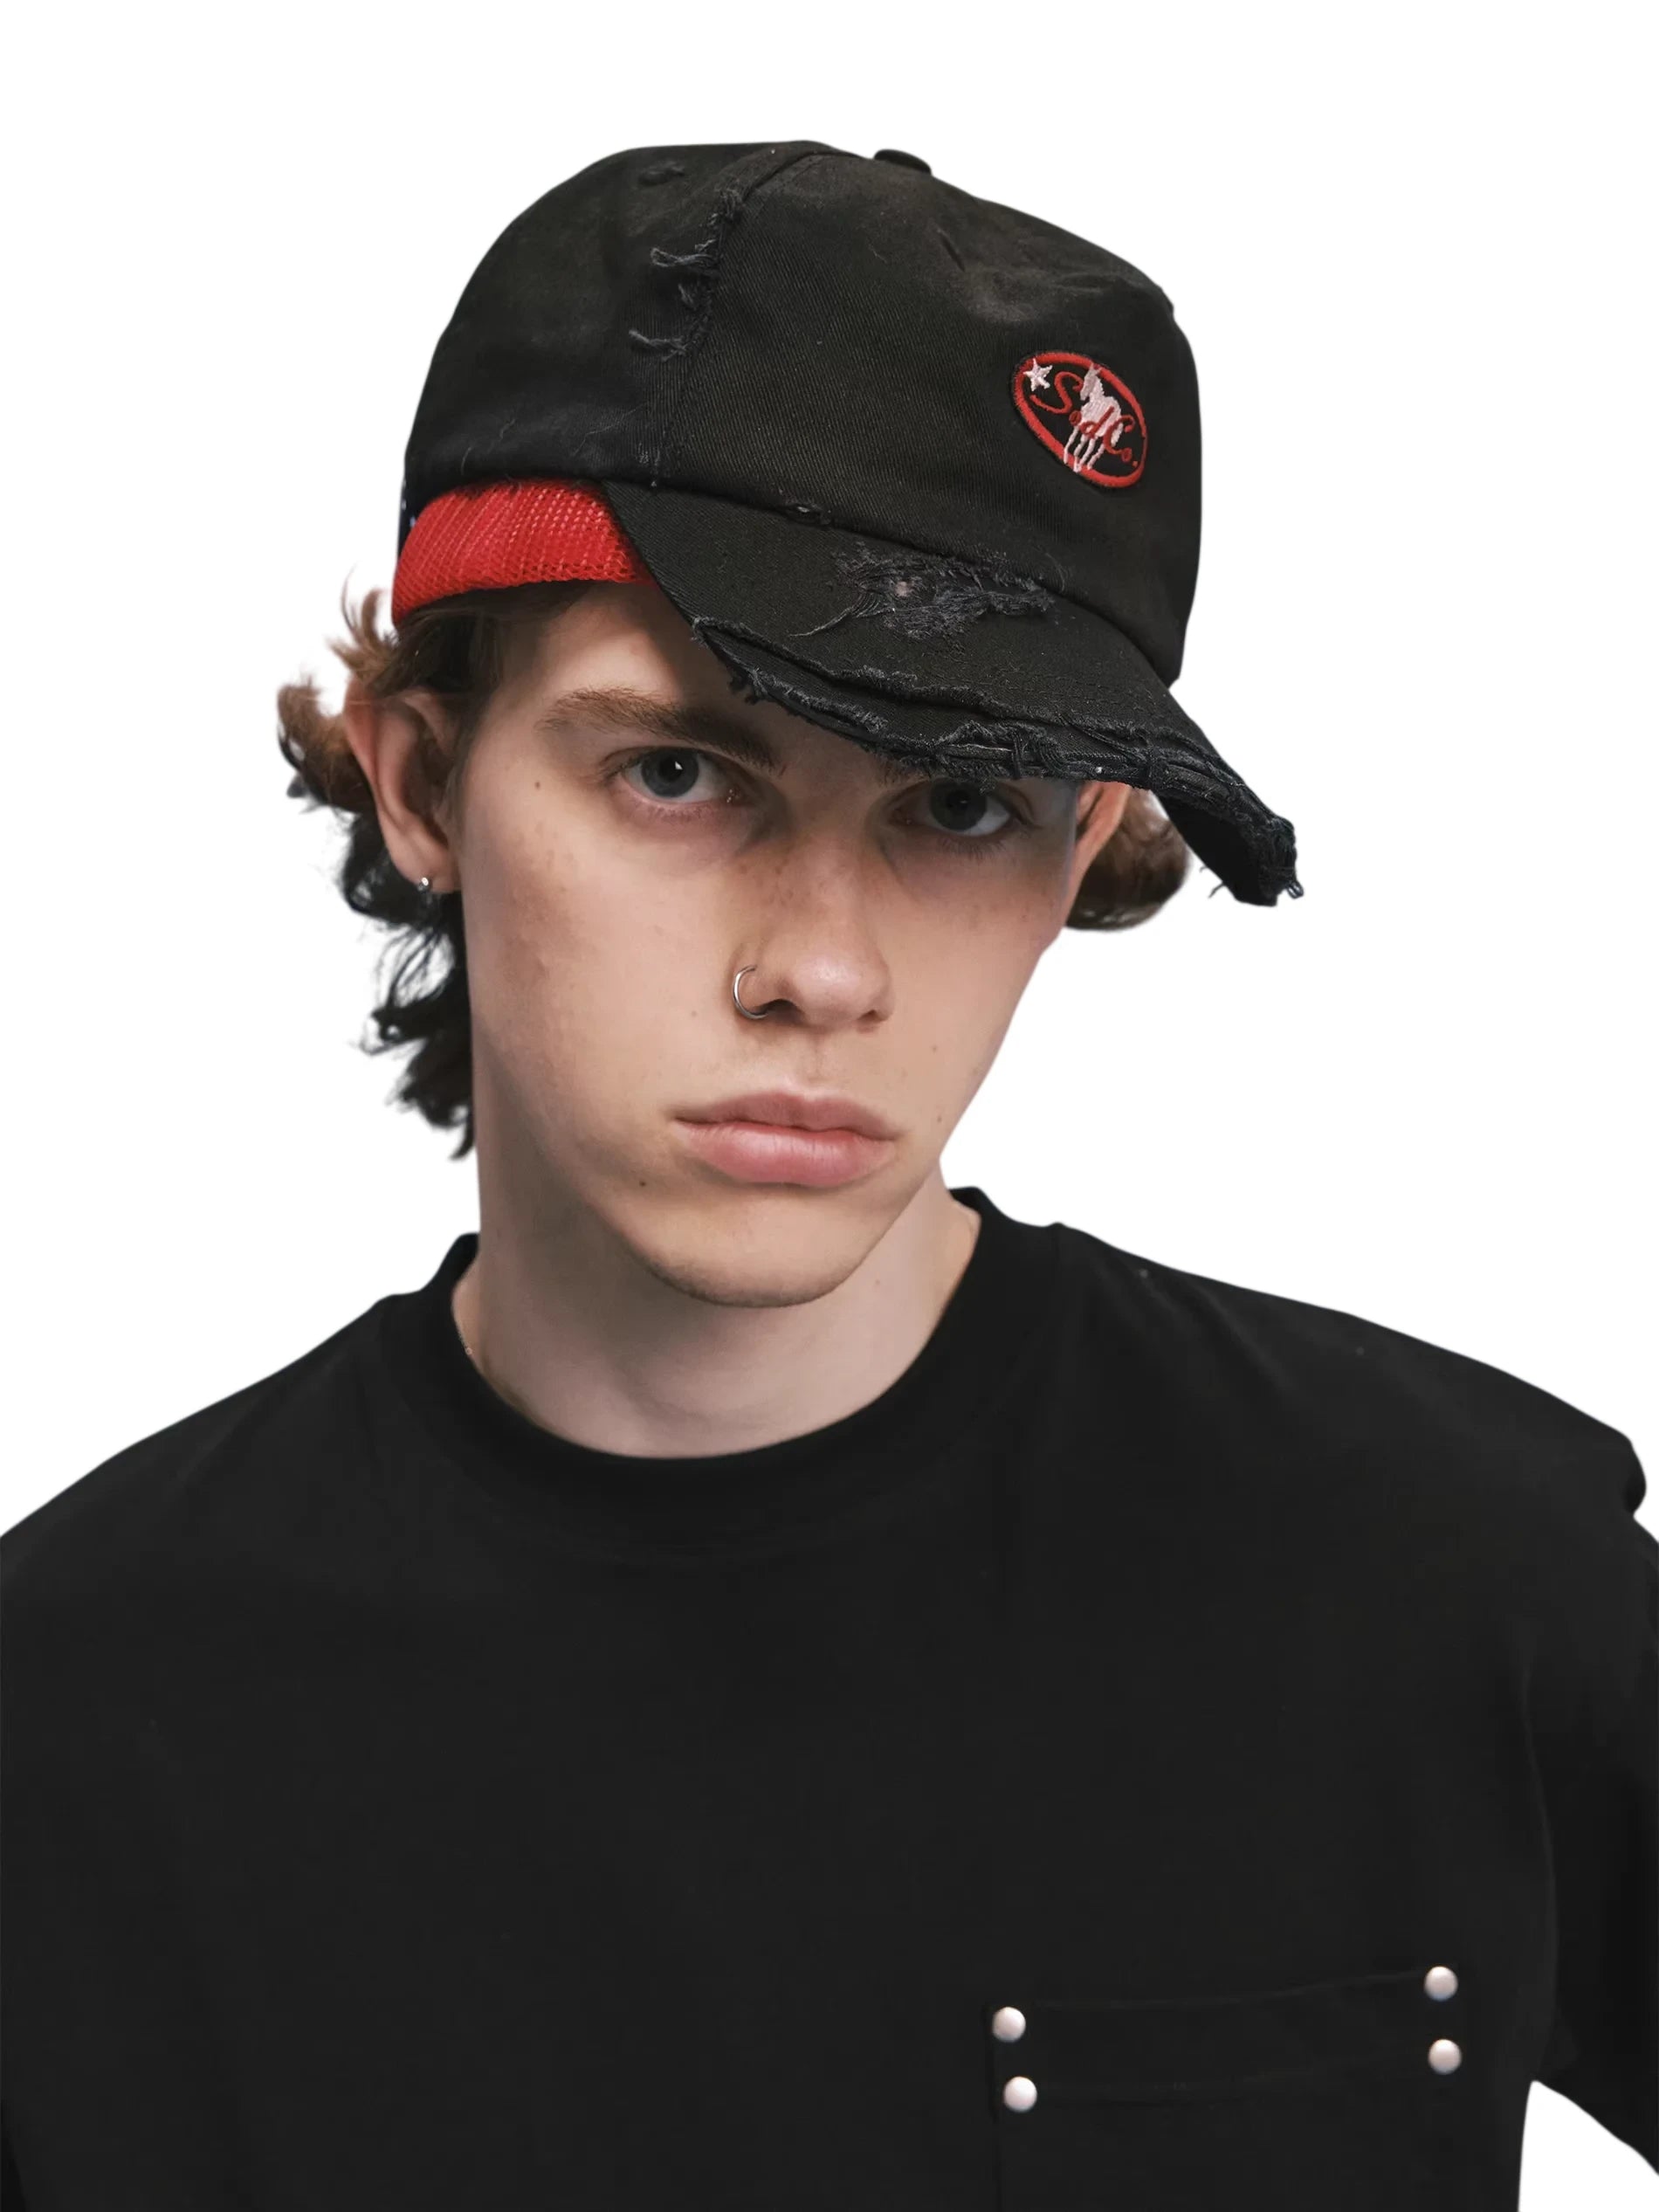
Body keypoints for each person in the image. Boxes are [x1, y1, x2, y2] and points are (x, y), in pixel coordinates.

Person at [2, 140, 1652, 2210]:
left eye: (956, 805)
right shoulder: (74, 1722)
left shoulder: (1445, 1576)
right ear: (421, 779)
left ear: (1082, 843)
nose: (822, 966)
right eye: (676, 771)